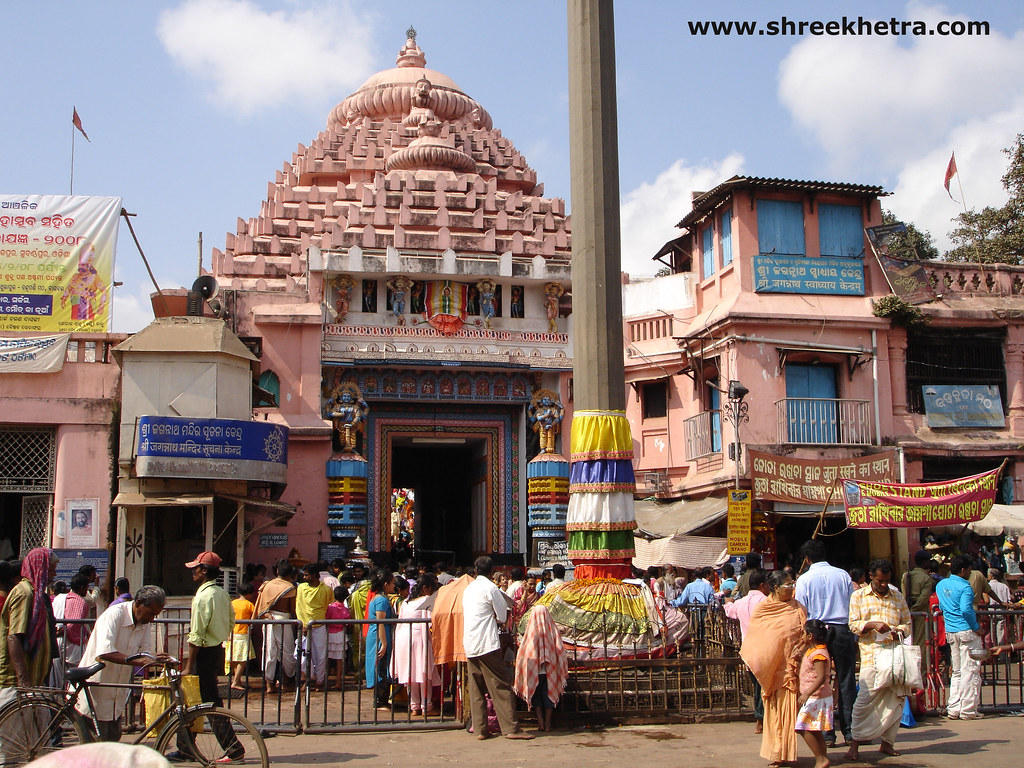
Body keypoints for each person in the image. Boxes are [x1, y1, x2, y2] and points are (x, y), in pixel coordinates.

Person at [74, 585, 168, 741]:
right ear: (138, 603)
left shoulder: (144, 623)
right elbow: (105, 652)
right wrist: (139, 660)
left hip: (116, 692)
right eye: (151, 613)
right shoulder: (114, 615)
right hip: (97, 686)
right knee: (97, 744)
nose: (152, 619)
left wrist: (156, 658)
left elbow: (144, 652)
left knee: (113, 737)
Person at [175, 551, 242, 762]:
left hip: (203, 653)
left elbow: (196, 634)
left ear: (204, 571)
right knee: (196, 702)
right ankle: (186, 747)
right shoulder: (222, 594)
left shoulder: (204, 596)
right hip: (216, 650)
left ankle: (233, 748)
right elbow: (231, 622)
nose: (193, 572)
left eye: (196, 568)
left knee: (206, 703)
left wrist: (188, 665)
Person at [844, 559, 912, 761]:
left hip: (894, 656)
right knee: (864, 701)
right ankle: (855, 744)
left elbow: (907, 623)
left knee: (896, 699)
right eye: (880, 581)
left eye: (886, 581)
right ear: (871, 576)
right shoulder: (858, 596)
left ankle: (887, 743)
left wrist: (898, 631)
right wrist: (872, 624)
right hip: (871, 657)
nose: (883, 585)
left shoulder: (897, 596)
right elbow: (853, 624)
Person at [740, 570, 806, 767]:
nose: (792, 589)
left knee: (791, 714)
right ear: (775, 588)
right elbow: (758, 638)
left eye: (793, 585)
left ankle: (789, 752)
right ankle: (776, 753)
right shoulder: (763, 609)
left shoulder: (798, 607)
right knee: (774, 714)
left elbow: (804, 632)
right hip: (772, 671)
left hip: (792, 669)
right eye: (788, 586)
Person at [463, 555, 533, 740]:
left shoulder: (469, 589)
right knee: (500, 685)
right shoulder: (490, 588)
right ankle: (510, 728)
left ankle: (480, 729)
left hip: (470, 642)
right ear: (493, 572)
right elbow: (502, 616)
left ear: (476, 571)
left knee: (476, 687)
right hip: (487, 642)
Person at [794, 539, 855, 748]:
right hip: (841, 629)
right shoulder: (842, 575)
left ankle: (829, 733)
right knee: (845, 680)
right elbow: (851, 603)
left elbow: (802, 611)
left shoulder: (804, 579)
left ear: (807, 559)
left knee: (822, 681)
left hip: (818, 632)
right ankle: (849, 731)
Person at [0, 548, 58, 708]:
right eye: (51, 570)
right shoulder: (24, 594)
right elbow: (14, 637)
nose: (54, 575)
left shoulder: (36, 595)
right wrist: (23, 678)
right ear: (41, 569)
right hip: (16, 684)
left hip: (33, 682)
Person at [936, 554, 983, 721]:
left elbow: (942, 605)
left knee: (957, 671)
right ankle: (968, 710)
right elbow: (966, 609)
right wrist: (977, 627)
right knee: (970, 671)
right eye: (969, 570)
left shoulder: (941, 584)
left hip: (951, 631)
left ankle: (954, 708)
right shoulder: (965, 587)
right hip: (966, 631)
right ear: (963, 570)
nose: (970, 573)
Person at [725, 569, 769, 733]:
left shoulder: (741, 603)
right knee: (763, 686)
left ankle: (760, 718)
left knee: (758, 685)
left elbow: (729, 611)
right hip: (766, 649)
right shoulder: (767, 602)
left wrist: (728, 601)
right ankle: (761, 717)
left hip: (748, 650)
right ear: (763, 585)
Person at [514, 604, 568, 733]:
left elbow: (524, 651)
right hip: (550, 671)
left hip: (535, 672)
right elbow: (560, 649)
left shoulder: (531, 631)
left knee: (536, 698)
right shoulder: (552, 629)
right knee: (548, 696)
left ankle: (541, 722)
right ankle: (548, 724)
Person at [393, 573, 440, 716]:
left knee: (411, 672)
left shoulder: (405, 602)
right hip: (419, 637)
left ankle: (414, 705)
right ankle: (427, 706)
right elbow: (430, 622)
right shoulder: (425, 600)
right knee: (424, 672)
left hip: (403, 637)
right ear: (425, 588)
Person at [253, 559, 297, 693]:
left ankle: (269, 685)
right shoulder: (289, 588)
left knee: (269, 652)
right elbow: (292, 609)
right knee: (287, 652)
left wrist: (267, 615)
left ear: (277, 572)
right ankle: (287, 682)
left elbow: (261, 608)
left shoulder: (266, 585)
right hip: (284, 621)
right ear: (290, 575)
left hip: (268, 621)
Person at [796, 620, 834, 768]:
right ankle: (822, 757)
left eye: (804, 633)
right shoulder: (813, 651)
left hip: (816, 697)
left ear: (810, 636)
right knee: (814, 729)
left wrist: (807, 694)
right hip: (814, 696)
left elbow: (821, 677)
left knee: (801, 727)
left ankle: (821, 759)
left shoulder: (819, 653)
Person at [296, 563, 333, 689]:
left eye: (306, 575)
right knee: (301, 654)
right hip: (304, 626)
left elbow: (329, 605)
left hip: (320, 625)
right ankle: (306, 679)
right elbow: (299, 607)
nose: (304, 577)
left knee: (320, 655)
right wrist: (304, 624)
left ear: (314, 575)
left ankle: (319, 680)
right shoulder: (301, 588)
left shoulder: (326, 589)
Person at [52, 573, 90, 687]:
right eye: (87, 587)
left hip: (60, 641)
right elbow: (74, 622)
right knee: (75, 675)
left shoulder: (63, 598)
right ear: (82, 587)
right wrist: (63, 631)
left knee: (60, 676)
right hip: (71, 644)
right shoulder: (78, 601)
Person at [365, 568, 396, 709]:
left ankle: (381, 699)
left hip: (377, 634)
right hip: (379, 635)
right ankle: (380, 700)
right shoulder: (382, 600)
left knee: (380, 664)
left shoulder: (378, 598)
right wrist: (383, 642)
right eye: (392, 583)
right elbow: (380, 622)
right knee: (381, 665)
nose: (394, 586)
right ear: (385, 584)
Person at [225, 582, 256, 692]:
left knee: (234, 658)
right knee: (243, 659)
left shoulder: (232, 603)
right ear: (249, 593)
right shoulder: (249, 605)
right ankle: (235, 681)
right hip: (243, 634)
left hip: (232, 633)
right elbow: (253, 619)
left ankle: (237, 680)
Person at [903, 550, 934, 656]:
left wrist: (908, 610)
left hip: (908, 610)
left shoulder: (906, 575)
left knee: (909, 641)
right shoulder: (926, 578)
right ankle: (922, 670)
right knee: (921, 642)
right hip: (920, 611)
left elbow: (904, 595)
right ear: (924, 562)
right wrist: (914, 610)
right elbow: (923, 599)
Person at [326, 586, 351, 690]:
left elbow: (326, 618)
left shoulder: (330, 608)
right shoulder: (345, 610)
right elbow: (348, 623)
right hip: (341, 635)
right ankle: (338, 682)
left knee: (327, 659)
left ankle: (324, 681)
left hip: (330, 635)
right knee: (339, 660)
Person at [988, 568, 1013, 645]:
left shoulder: (988, 586)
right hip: (1001, 611)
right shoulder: (1004, 586)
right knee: (1001, 633)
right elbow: (1009, 600)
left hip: (991, 611)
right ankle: (1001, 654)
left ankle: (994, 651)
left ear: (991, 575)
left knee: (992, 634)